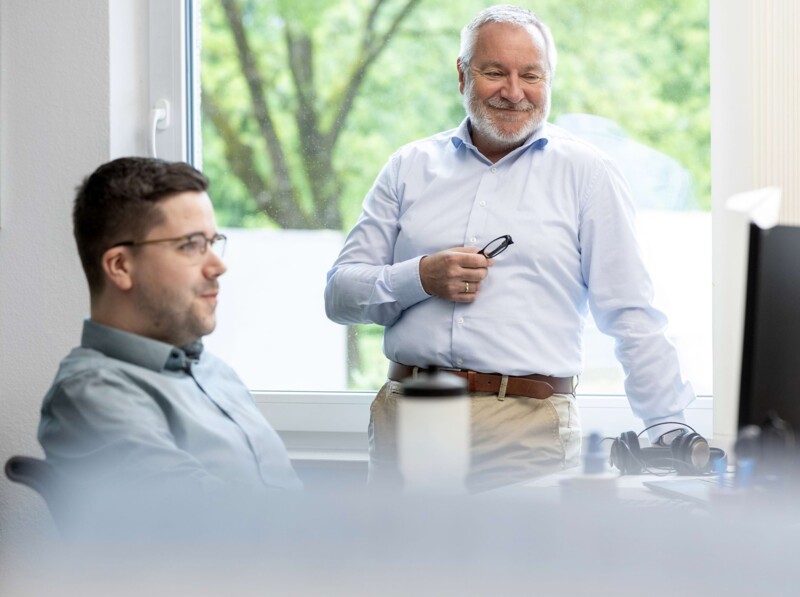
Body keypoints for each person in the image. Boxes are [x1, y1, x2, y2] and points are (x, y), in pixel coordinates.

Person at [324, 4, 695, 491]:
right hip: (406, 416)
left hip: (524, 429)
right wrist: (420, 277)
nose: (514, 92)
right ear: (462, 75)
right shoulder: (408, 166)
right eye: (495, 72)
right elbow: (340, 297)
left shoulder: (587, 174)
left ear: (549, 80)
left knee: (511, 568)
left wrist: (670, 434)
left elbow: (630, 313)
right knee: (397, 567)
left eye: (531, 75)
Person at [38, 157, 302, 512]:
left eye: (213, 241)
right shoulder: (90, 393)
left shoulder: (214, 371)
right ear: (120, 266)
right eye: (191, 245)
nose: (218, 266)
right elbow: (208, 524)